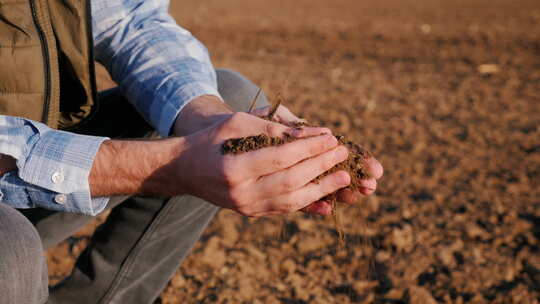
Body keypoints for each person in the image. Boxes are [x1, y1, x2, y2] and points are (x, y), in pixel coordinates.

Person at [0, 0, 383, 303]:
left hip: (30, 157)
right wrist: (170, 166)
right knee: (9, 249)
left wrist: (209, 119)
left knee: (230, 102)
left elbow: (128, 20)